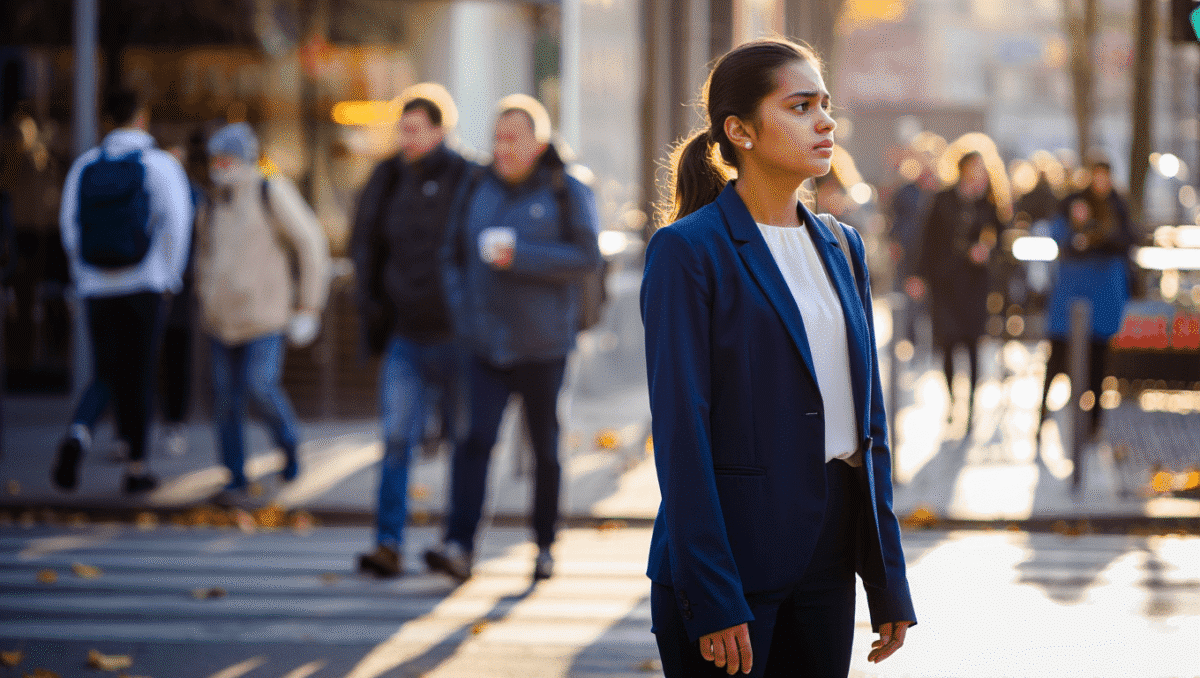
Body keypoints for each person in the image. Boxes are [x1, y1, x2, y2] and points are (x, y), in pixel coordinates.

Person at [640, 39, 915, 677]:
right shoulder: (689, 251)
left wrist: (886, 577)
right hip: (731, 560)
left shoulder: (842, 247)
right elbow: (682, 432)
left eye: (825, 104)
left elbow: (865, 425)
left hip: (827, 559)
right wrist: (710, 594)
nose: (825, 122)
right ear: (740, 131)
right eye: (799, 106)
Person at [424, 94, 601, 583]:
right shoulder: (477, 183)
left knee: (544, 447)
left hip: (544, 346)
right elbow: (451, 253)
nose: (502, 148)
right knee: (473, 441)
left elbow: (587, 258)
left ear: (538, 142)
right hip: (482, 343)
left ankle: (544, 545)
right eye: (497, 138)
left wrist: (519, 255)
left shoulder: (567, 188)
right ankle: (459, 544)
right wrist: (462, 312)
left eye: (513, 138)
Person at [349, 84, 473, 577]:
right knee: (396, 439)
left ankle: (456, 544)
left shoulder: (466, 176)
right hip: (404, 335)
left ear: (441, 131)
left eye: (417, 130)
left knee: (464, 443)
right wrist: (371, 304)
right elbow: (366, 244)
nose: (407, 139)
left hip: (457, 337)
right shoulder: (386, 177)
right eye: (402, 130)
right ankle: (387, 543)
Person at [52, 88, 194, 494]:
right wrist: (169, 277)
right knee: (140, 376)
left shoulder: (84, 167)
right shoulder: (159, 165)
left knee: (105, 374)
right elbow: (177, 225)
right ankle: (136, 468)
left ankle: (79, 434)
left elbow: (70, 229)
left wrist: (83, 279)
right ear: (142, 118)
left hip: (97, 287)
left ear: (105, 120)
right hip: (144, 285)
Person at [196, 122, 330, 506]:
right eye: (215, 158)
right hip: (220, 321)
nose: (219, 166)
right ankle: (234, 476)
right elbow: (204, 257)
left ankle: (289, 444)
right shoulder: (213, 201)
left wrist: (309, 306)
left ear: (244, 159)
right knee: (225, 400)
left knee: (260, 386)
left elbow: (311, 243)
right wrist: (204, 297)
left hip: (265, 318)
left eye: (226, 158)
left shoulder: (272, 191)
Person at [1038, 159, 1135, 438]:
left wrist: (1098, 236)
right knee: (1057, 358)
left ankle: (1093, 426)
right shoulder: (1071, 204)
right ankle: (1043, 417)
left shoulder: (1118, 206)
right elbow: (1062, 238)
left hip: (1103, 293)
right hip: (1072, 291)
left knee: (1098, 361)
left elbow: (1127, 239)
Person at [918, 150, 1003, 429]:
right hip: (946, 282)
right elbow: (927, 238)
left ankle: (971, 406)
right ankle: (953, 400)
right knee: (947, 343)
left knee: (973, 344)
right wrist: (918, 275)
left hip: (975, 284)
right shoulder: (943, 198)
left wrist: (985, 249)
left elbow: (1000, 235)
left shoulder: (987, 202)